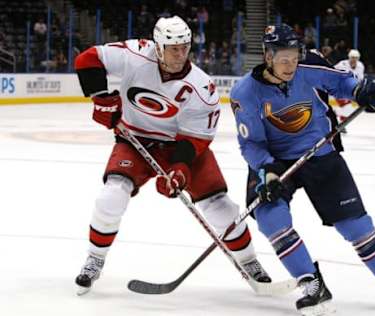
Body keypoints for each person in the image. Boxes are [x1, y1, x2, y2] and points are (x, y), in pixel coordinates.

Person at [73, 15, 271, 295]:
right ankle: (94, 259)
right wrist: (101, 98)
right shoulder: (135, 54)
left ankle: (250, 263)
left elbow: (196, 138)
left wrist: (179, 168)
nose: (180, 54)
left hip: (181, 146)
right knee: (112, 195)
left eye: (185, 47)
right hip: (134, 139)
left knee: (221, 207)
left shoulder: (202, 87)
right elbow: (87, 59)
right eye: (173, 48)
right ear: (158, 46)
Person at [230, 24, 375, 315]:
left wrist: (361, 90)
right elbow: (251, 144)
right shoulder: (246, 92)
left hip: (320, 153)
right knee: (270, 218)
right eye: (283, 57)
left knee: (355, 225)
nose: (290, 64)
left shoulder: (310, 66)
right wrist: (267, 171)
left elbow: (343, 82)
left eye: (294, 56)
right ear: (268, 56)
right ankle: (312, 284)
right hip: (275, 162)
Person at [334, 49, 365, 130]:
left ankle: (341, 124)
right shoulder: (342, 64)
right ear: (349, 57)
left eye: (356, 58)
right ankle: (335, 114)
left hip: (349, 90)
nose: (354, 59)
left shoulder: (360, 66)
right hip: (338, 88)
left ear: (358, 58)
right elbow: (332, 71)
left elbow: (360, 80)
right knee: (348, 108)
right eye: (352, 57)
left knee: (349, 110)